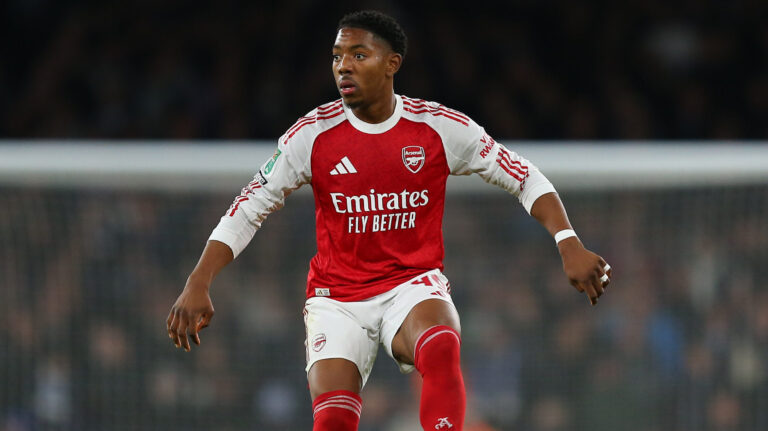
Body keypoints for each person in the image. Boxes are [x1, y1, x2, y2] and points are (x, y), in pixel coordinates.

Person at [166, 10, 612, 431]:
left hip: (411, 282)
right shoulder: (313, 135)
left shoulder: (437, 128)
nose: (344, 66)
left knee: (440, 345)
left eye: (359, 55)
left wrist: (568, 241)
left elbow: (523, 175)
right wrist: (199, 280)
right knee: (335, 420)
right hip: (337, 295)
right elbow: (249, 205)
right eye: (338, 56)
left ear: (391, 63)